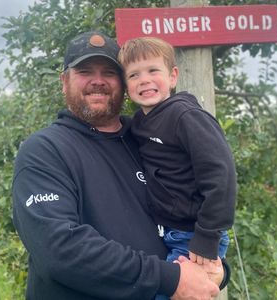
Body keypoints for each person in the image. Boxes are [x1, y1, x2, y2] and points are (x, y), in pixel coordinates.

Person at [12, 31, 229, 300]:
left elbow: (194, 203)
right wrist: (171, 279)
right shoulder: (45, 150)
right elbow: (59, 250)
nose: (98, 81)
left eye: (109, 72)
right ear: (64, 81)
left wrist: (213, 270)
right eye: (85, 71)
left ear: (122, 83)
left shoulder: (148, 139)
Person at [117, 37, 236, 300]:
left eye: (153, 71)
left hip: (194, 235)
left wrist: (207, 237)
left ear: (172, 76)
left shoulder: (186, 116)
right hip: (166, 233)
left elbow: (221, 176)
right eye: (134, 75)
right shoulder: (139, 124)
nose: (144, 80)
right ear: (126, 87)